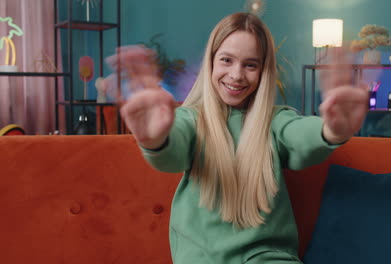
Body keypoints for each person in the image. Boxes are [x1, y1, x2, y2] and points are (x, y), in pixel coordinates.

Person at [106, 12, 368, 264]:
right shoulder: (191, 120)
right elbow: (172, 153)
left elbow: (299, 136)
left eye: (250, 64)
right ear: (211, 61)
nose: (237, 75)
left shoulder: (275, 121)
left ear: (263, 71)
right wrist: (154, 140)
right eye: (226, 60)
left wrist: (332, 131)